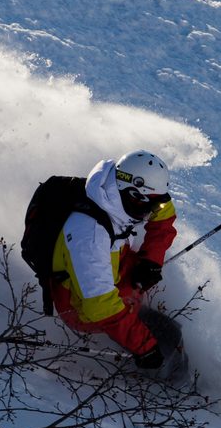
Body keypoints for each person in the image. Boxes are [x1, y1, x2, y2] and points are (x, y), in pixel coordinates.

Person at [46, 150, 178, 371]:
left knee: (138, 286)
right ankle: (138, 337)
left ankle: (136, 320)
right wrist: (144, 346)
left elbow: (164, 212)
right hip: (79, 305)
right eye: (151, 206)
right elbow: (100, 307)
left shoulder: (116, 194)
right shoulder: (89, 235)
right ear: (135, 195)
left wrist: (151, 260)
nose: (153, 212)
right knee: (123, 302)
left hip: (112, 266)